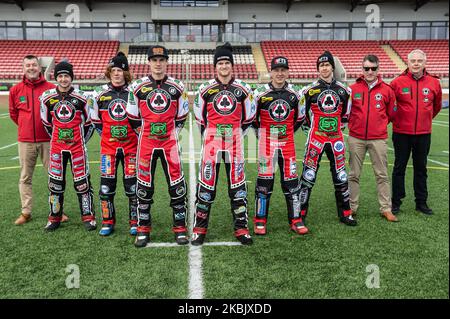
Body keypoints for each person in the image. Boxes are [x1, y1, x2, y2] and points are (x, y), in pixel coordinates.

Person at [192, 42, 256, 245]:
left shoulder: (244, 89)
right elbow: (199, 118)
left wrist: (234, 134)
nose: (224, 66)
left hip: (235, 145)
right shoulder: (205, 89)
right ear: (215, 67)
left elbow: (249, 118)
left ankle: (241, 229)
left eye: (227, 62)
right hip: (211, 144)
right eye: (220, 63)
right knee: (206, 187)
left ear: (232, 65)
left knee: (237, 188)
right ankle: (199, 229)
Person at [126, 45, 189, 247]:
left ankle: (180, 228)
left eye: (162, 60)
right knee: (144, 186)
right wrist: (147, 133)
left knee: (177, 185)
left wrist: (170, 133)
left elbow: (182, 116)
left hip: (170, 143)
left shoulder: (178, 87)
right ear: (149, 62)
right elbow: (132, 116)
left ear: (166, 62)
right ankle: (143, 229)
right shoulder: (137, 87)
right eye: (154, 60)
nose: (158, 63)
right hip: (146, 143)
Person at [299, 51, 356, 229]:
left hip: (336, 139)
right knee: (308, 176)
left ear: (332, 67)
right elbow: (303, 116)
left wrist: (336, 129)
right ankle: (300, 213)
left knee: (341, 175)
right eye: (321, 65)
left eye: (327, 65)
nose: (324, 68)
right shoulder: (308, 90)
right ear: (318, 69)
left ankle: (346, 213)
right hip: (316, 138)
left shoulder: (345, 90)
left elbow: (346, 116)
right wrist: (313, 129)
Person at [9, 55, 68, 225]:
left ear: (39, 67)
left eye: (34, 65)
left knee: (55, 177)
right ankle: (26, 212)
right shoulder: (16, 90)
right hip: (25, 141)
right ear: (23, 68)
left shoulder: (51, 89)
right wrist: (25, 126)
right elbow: (14, 114)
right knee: (25, 177)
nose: (31, 68)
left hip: (49, 141)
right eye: (28, 65)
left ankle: (57, 211)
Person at [252, 56, 306, 235]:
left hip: (287, 145)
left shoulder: (295, 94)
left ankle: (296, 220)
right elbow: (252, 118)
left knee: (291, 183)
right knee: (264, 184)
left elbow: (300, 118)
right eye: (276, 70)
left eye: (283, 70)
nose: (280, 73)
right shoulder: (260, 93)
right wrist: (263, 134)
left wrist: (287, 132)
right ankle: (260, 220)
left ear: (287, 72)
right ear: (271, 72)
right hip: (267, 145)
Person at [40, 61, 96, 231]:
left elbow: (89, 123)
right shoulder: (47, 97)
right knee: (55, 183)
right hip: (57, 148)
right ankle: (54, 216)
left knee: (82, 183)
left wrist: (80, 140)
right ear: (56, 77)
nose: (63, 79)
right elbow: (46, 123)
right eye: (60, 76)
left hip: (77, 148)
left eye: (66, 76)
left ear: (71, 77)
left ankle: (88, 216)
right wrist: (58, 139)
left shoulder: (82, 97)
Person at [90, 52, 139, 236]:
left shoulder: (134, 93)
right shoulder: (98, 94)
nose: (117, 73)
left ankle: (135, 221)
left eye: (120, 70)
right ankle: (108, 221)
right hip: (108, 150)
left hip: (131, 148)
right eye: (114, 70)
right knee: (106, 188)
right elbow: (95, 120)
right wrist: (108, 136)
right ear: (109, 72)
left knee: (132, 187)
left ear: (126, 73)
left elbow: (139, 119)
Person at [389, 49, 442, 215]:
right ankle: (396, 202)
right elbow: (390, 105)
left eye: (420, 60)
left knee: (421, 168)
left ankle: (421, 202)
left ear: (425, 62)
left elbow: (436, 106)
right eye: (413, 61)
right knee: (399, 168)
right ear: (408, 62)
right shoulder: (397, 82)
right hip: (401, 133)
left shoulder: (434, 82)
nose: (416, 63)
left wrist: (424, 120)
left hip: (423, 134)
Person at [348, 55, 398, 222]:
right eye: (367, 68)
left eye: (373, 68)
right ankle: (351, 207)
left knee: (382, 174)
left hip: (378, 139)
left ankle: (386, 208)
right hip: (356, 138)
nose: (370, 71)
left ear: (378, 69)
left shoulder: (387, 90)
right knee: (354, 174)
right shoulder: (353, 89)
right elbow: (347, 113)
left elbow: (391, 114)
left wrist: (379, 126)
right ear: (362, 69)